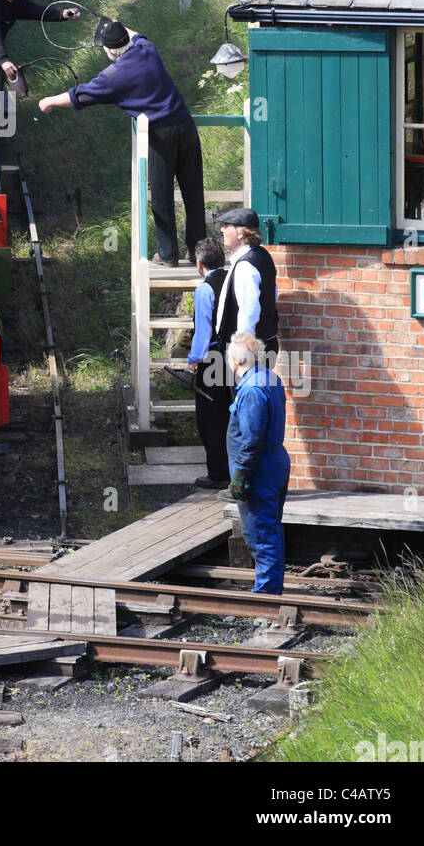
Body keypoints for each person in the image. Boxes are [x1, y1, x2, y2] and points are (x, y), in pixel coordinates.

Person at [37, 18, 207, 265]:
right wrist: (114, 23)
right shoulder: (146, 49)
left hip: (160, 135)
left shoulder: (112, 76)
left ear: (109, 51)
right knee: (193, 192)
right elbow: (136, 34)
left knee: (161, 196)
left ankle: (168, 254)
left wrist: (49, 101)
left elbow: (79, 95)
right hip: (186, 125)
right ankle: (199, 252)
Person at [222, 331, 290, 594]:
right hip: (275, 463)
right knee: (270, 528)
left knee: (261, 534)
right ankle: (271, 589)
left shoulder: (251, 391)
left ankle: (267, 596)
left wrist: (239, 476)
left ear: (237, 361)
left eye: (228, 357)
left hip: (259, 471)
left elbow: (251, 441)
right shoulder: (271, 378)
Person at [185, 237, 230, 488]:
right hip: (236, 358)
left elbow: (203, 332)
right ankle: (234, 471)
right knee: (230, 414)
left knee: (210, 419)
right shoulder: (233, 281)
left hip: (212, 360)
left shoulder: (205, 289)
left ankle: (217, 474)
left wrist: (192, 363)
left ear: (199, 264)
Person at [214, 207, 279, 363]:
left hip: (249, 351)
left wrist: (242, 350)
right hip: (264, 344)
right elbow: (272, 294)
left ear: (241, 233)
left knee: (245, 388)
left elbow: (249, 311)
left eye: (227, 225)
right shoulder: (262, 255)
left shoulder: (246, 265)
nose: (222, 229)